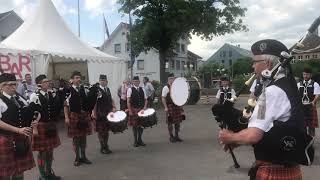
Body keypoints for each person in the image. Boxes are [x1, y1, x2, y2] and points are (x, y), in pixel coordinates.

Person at [218, 39, 308, 179]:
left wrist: (229, 137)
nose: (252, 66)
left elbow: (253, 135)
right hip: (287, 168)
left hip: (273, 171)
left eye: (255, 61)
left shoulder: (272, 92)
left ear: (268, 64)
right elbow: (271, 130)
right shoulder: (288, 86)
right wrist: (237, 141)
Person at [0, 73, 40, 180]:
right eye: (10, 85)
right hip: (6, 139)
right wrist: (18, 130)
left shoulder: (20, 99)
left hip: (20, 139)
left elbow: (31, 112)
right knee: (6, 173)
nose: (14, 87)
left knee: (19, 171)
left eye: (15, 84)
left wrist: (35, 121)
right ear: (2, 86)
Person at [29, 75, 61, 180]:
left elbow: (56, 109)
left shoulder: (50, 94)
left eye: (48, 81)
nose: (48, 83)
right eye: (45, 82)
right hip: (41, 125)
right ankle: (42, 175)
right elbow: (32, 113)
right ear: (40, 84)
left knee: (50, 151)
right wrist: (34, 129)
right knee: (42, 152)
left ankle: (49, 173)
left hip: (50, 125)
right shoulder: (35, 95)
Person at [64, 71, 94, 166]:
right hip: (74, 115)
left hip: (84, 115)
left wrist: (91, 112)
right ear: (72, 79)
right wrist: (66, 117)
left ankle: (84, 156)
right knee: (76, 139)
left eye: (79, 77)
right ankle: (77, 158)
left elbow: (89, 101)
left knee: (83, 137)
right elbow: (65, 105)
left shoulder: (84, 89)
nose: (79, 79)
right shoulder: (68, 90)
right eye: (76, 77)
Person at [90, 75, 116, 154]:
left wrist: (114, 107)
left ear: (107, 81)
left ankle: (106, 145)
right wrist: (93, 112)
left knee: (107, 130)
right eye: (101, 80)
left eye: (104, 80)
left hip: (108, 113)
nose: (103, 81)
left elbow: (111, 99)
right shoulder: (97, 90)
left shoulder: (107, 89)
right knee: (101, 131)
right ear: (99, 81)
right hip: (100, 113)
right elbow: (94, 102)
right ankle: (103, 147)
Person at [162, 73, 185, 143]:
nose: (173, 79)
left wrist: (181, 106)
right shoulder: (166, 87)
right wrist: (165, 107)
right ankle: (171, 136)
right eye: (171, 78)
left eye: (174, 78)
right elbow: (163, 98)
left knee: (178, 122)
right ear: (168, 79)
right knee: (170, 122)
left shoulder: (176, 86)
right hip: (170, 106)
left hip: (177, 106)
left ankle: (177, 136)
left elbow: (180, 97)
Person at [297, 67, 320, 137]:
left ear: (310, 75)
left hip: (311, 107)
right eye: (304, 74)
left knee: (311, 127)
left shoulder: (315, 84)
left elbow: (317, 95)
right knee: (302, 126)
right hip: (301, 107)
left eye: (307, 74)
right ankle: (304, 142)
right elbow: (296, 95)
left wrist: (313, 102)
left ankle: (311, 143)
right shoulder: (299, 84)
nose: (305, 76)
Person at [127, 76, 148, 147]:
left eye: (137, 81)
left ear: (139, 82)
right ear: (132, 82)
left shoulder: (143, 89)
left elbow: (146, 99)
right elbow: (128, 101)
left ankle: (140, 140)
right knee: (135, 126)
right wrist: (129, 110)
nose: (136, 82)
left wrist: (145, 106)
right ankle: (135, 141)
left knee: (141, 125)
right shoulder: (130, 89)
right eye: (135, 81)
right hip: (134, 109)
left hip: (141, 109)